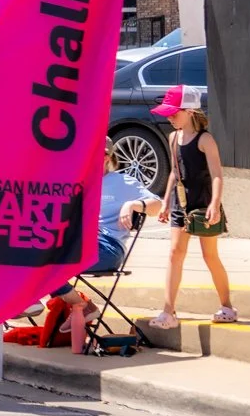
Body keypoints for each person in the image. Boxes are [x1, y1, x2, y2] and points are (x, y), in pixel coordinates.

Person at [51, 136, 163, 329]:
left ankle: (78, 305)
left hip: (107, 247)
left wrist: (132, 204)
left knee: (46, 261)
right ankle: (81, 305)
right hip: (80, 243)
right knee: (36, 254)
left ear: (106, 157)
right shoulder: (78, 181)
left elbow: (157, 205)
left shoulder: (122, 181)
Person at [149, 85, 237, 328]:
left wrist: (215, 204)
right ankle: (168, 311)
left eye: (173, 113)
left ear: (189, 111)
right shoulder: (173, 137)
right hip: (181, 204)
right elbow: (175, 173)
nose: (169, 117)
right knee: (175, 254)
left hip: (203, 204)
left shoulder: (205, 139)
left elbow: (217, 174)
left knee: (210, 256)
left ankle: (227, 306)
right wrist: (166, 200)